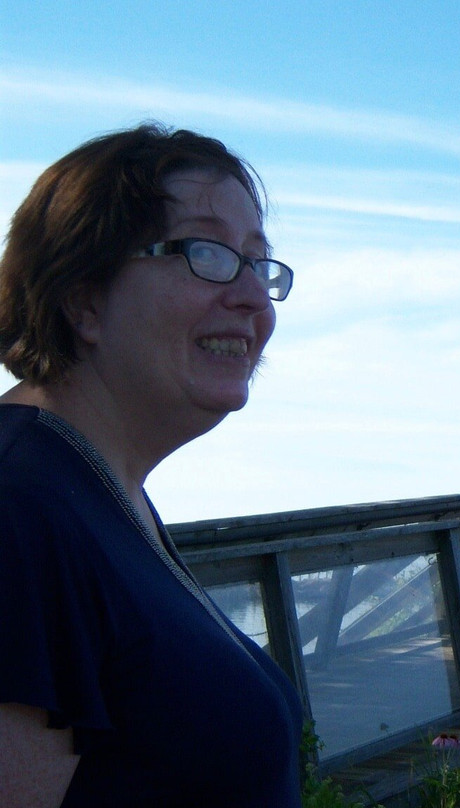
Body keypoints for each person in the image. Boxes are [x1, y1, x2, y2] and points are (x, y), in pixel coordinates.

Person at [0, 124, 303, 807]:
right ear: (84, 297)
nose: (254, 300)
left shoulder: (100, 489)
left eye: (257, 263)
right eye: (206, 253)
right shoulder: (20, 509)